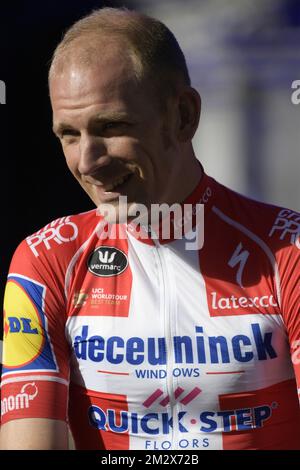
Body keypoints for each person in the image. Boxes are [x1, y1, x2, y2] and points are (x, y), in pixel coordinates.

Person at [1, 7, 299, 451]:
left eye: (111, 126)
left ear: (183, 116)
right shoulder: (46, 261)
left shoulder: (287, 250)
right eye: (69, 134)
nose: (88, 162)